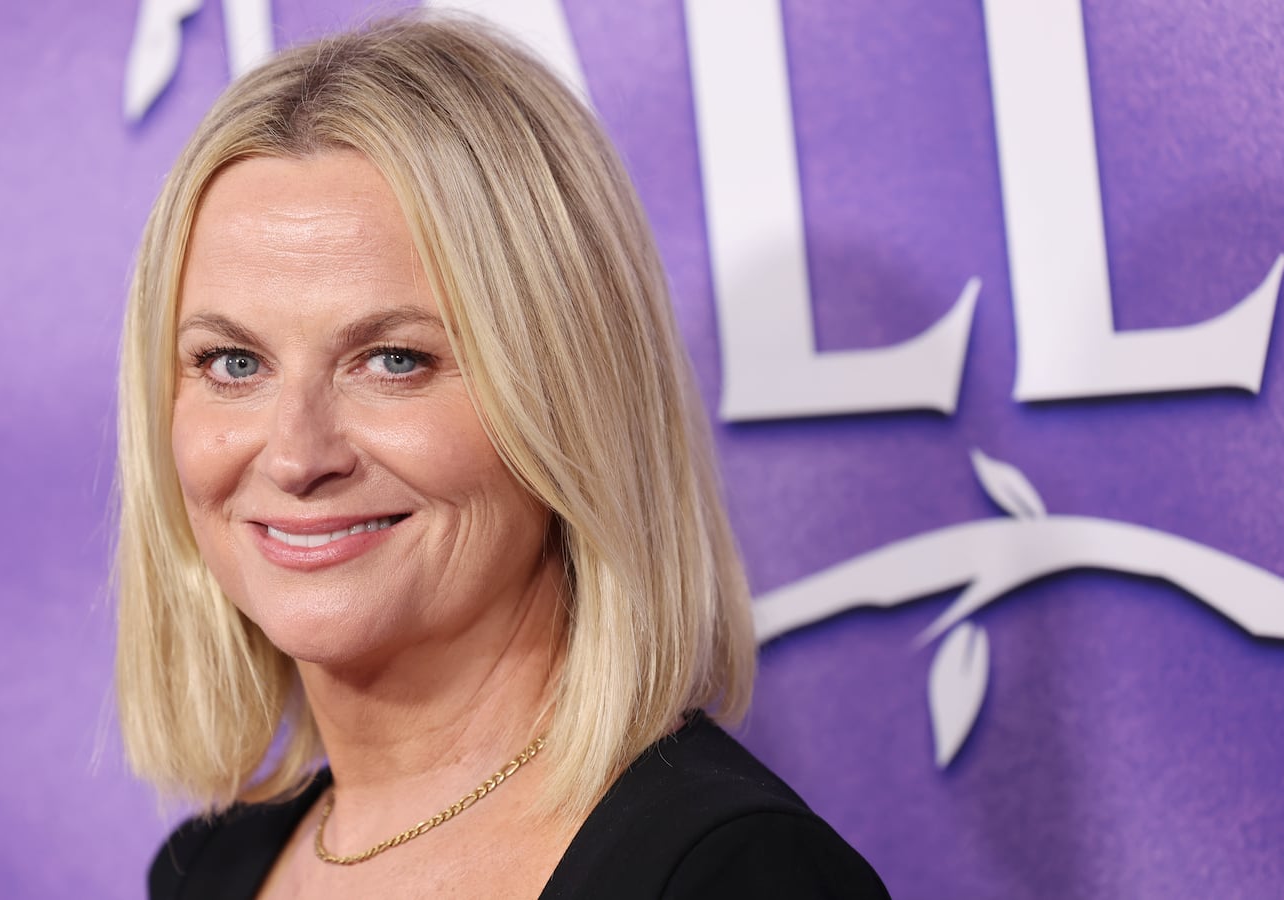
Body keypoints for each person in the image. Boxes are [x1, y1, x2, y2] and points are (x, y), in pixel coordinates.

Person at [115, 12, 889, 899]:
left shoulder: (735, 877)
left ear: (571, 396)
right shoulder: (205, 872)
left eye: (394, 360)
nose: (296, 455)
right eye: (233, 363)